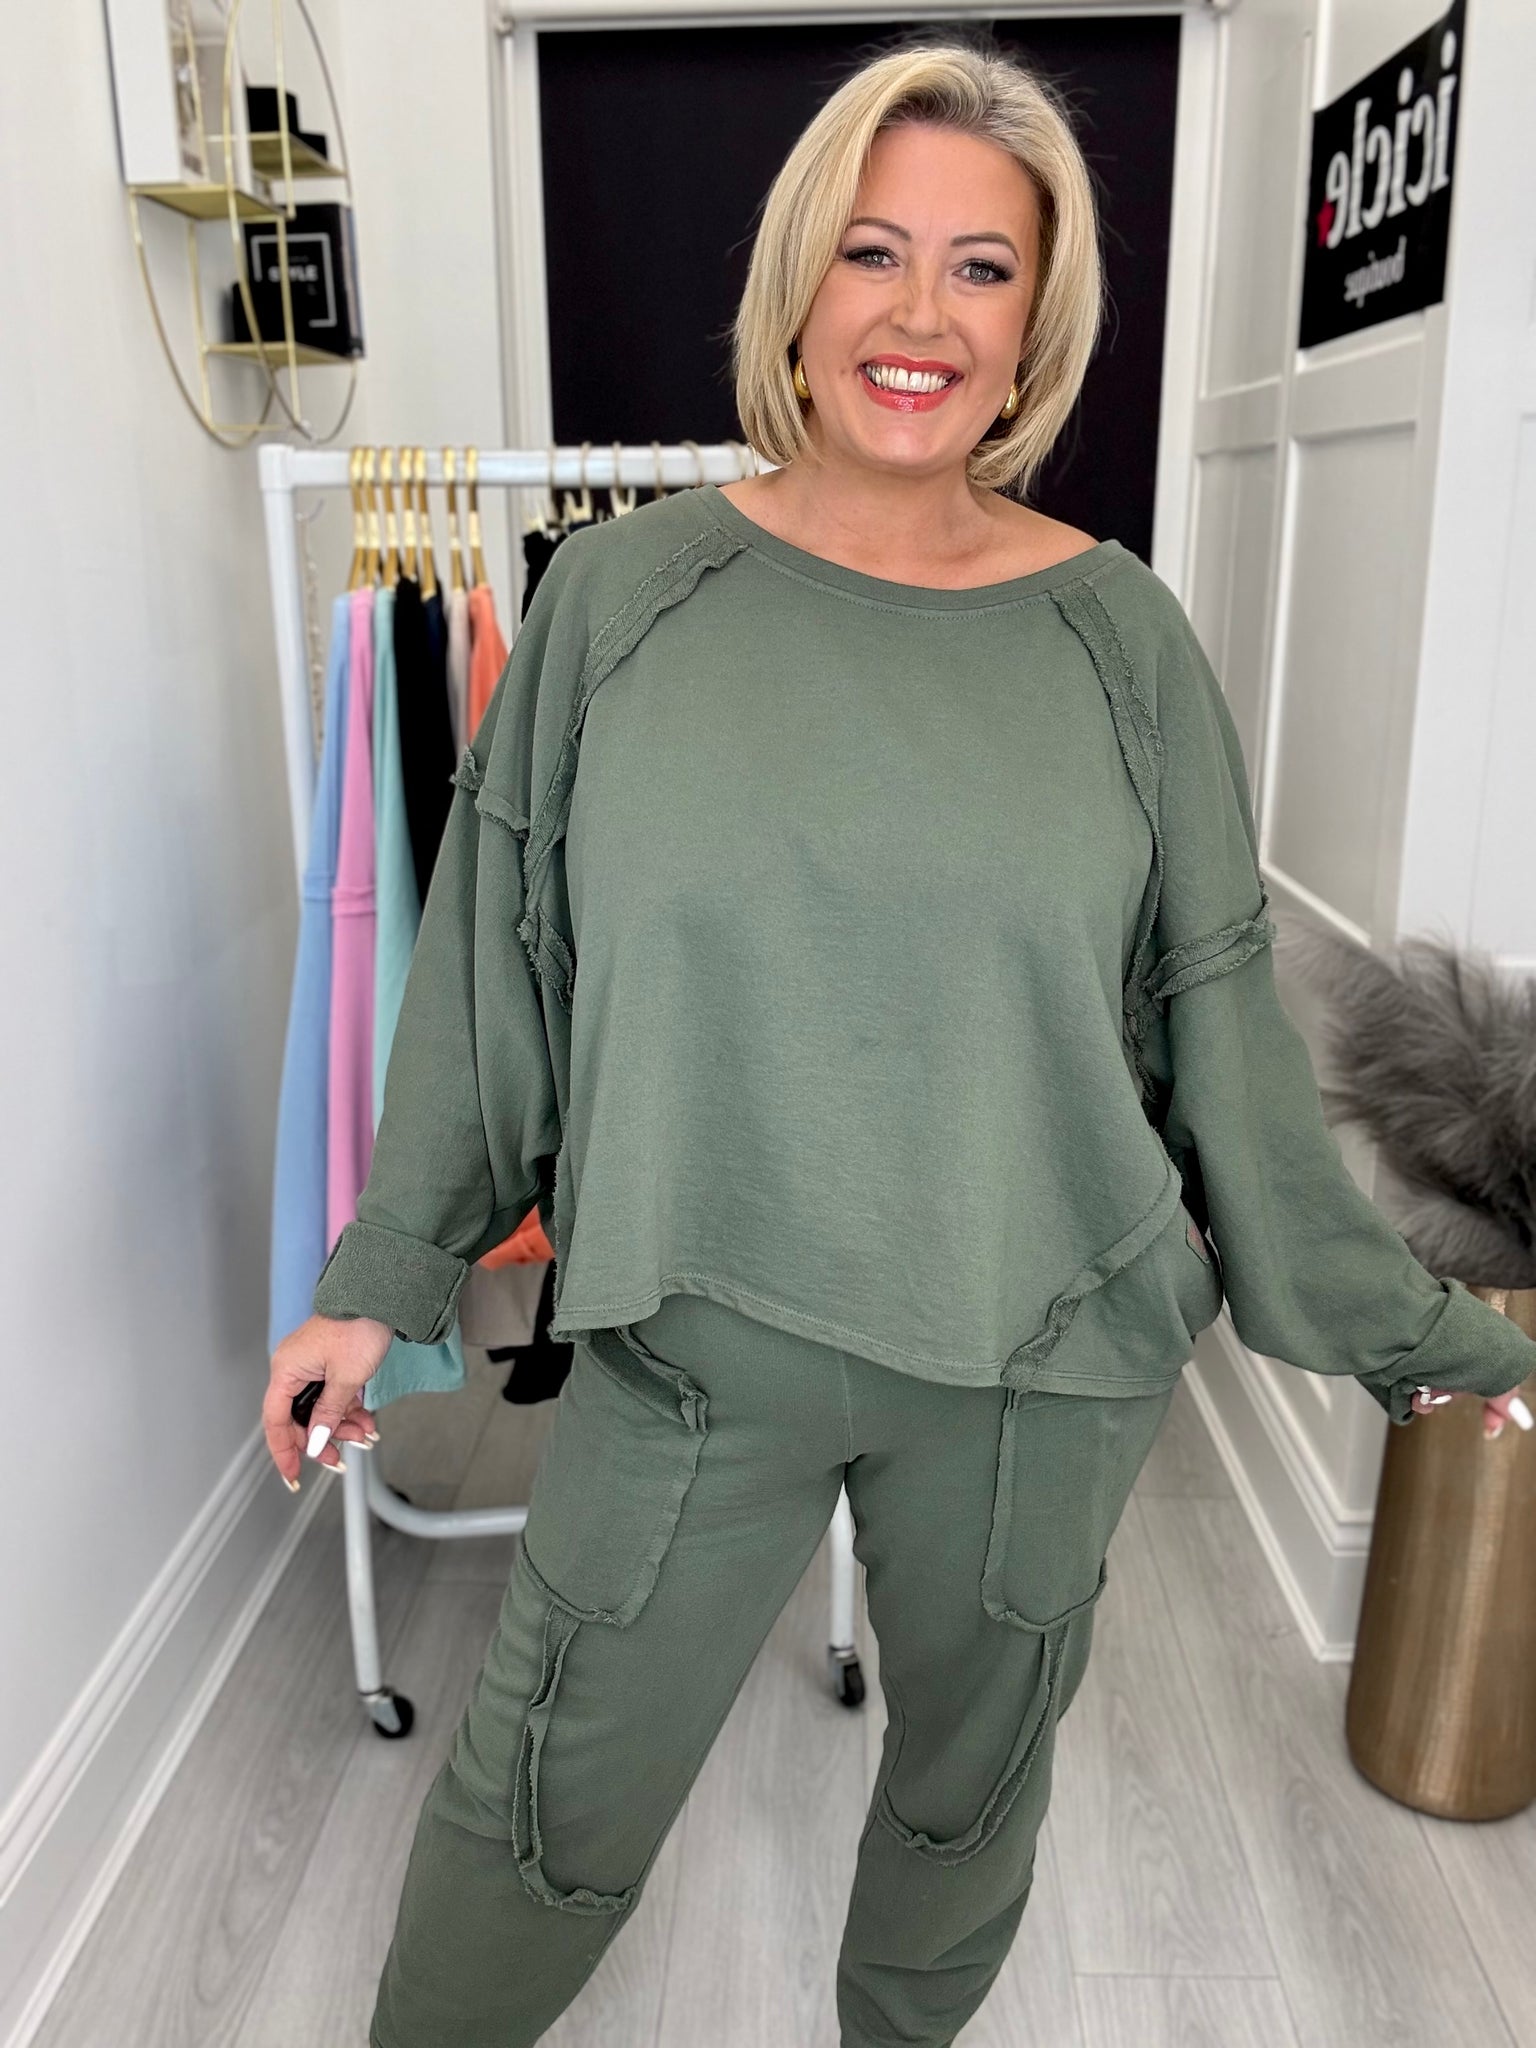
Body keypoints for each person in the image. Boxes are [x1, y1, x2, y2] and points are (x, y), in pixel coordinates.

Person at [262, 34, 1536, 2048]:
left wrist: (1417, 1329)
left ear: (1036, 324)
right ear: (800, 284)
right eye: (875, 251)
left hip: (1039, 1362)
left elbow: (1221, 1026)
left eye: (981, 267)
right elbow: (498, 976)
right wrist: (381, 1271)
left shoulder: (1122, 641)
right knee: (538, 1806)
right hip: (691, 1340)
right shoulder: (617, 602)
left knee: (967, 1799)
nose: (921, 313)